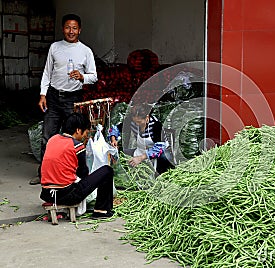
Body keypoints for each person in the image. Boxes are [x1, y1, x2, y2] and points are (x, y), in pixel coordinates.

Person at [30, 13, 98, 185]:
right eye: (68, 27)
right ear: (63, 29)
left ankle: (69, 174)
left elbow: (94, 76)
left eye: (74, 28)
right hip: (53, 97)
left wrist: (82, 77)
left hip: (72, 98)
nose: (71, 31)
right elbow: (47, 73)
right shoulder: (55, 47)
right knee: (48, 137)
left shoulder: (85, 51)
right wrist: (43, 94)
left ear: (80, 30)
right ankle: (43, 174)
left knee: (71, 139)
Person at [40, 113, 114, 219]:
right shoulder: (77, 146)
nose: (85, 136)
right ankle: (101, 211)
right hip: (66, 195)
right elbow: (83, 173)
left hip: (47, 194)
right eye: (85, 133)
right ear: (78, 130)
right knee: (107, 171)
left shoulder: (52, 140)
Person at [108, 103, 174, 175]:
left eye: (139, 122)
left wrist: (141, 158)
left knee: (163, 158)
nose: (136, 124)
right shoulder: (131, 122)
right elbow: (115, 128)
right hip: (141, 150)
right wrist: (113, 139)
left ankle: (161, 175)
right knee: (122, 154)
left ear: (146, 117)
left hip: (160, 152)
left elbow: (160, 146)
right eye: (135, 122)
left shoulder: (156, 125)